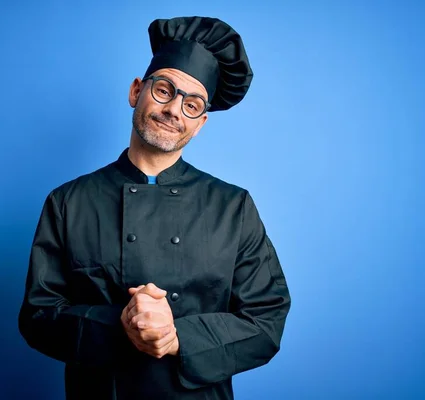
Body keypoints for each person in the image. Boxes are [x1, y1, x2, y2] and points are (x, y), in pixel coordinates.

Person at [18, 15, 291, 399]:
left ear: (200, 124)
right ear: (136, 92)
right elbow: (38, 316)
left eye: (192, 104)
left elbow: (267, 321)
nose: (174, 110)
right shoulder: (68, 201)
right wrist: (119, 325)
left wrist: (177, 336)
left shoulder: (234, 207)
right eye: (164, 90)